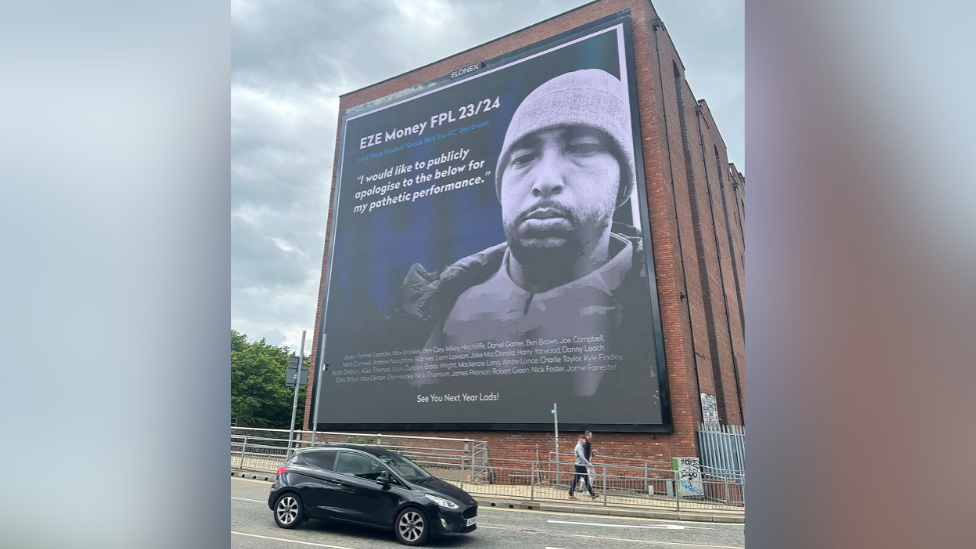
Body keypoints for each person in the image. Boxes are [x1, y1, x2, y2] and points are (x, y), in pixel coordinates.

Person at [382, 68, 651, 398]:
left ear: (622, 182)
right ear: (501, 185)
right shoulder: (431, 304)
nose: (545, 181)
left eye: (582, 147)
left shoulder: (655, 303)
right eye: (523, 157)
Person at [569, 434, 598, 500]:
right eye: (584, 440)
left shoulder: (580, 446)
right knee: (576, 480)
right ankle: (571, 494)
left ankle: (592, 494)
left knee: (586, 480)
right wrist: (589, 464)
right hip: (579, 466)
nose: (585, 441)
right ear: (580, 440)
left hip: (582, 465)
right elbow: (582, 457)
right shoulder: (579, 447)